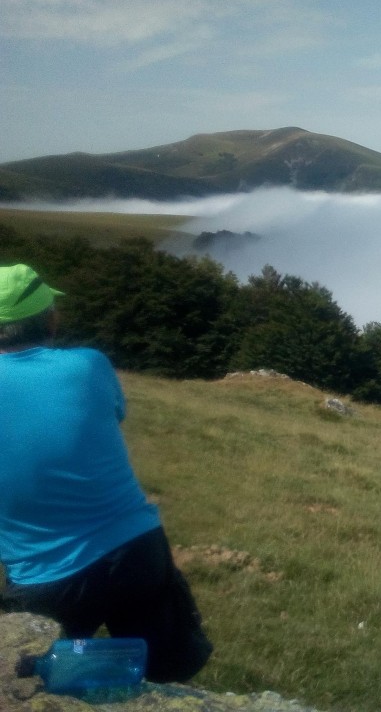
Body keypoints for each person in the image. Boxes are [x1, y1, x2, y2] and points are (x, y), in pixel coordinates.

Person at [0, 263, 212, 683]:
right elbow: (114, 415)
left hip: (45, 575)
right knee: (165, 678)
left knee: (31, 683)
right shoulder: (89, 365)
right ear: (49, 318)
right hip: (136, 549)